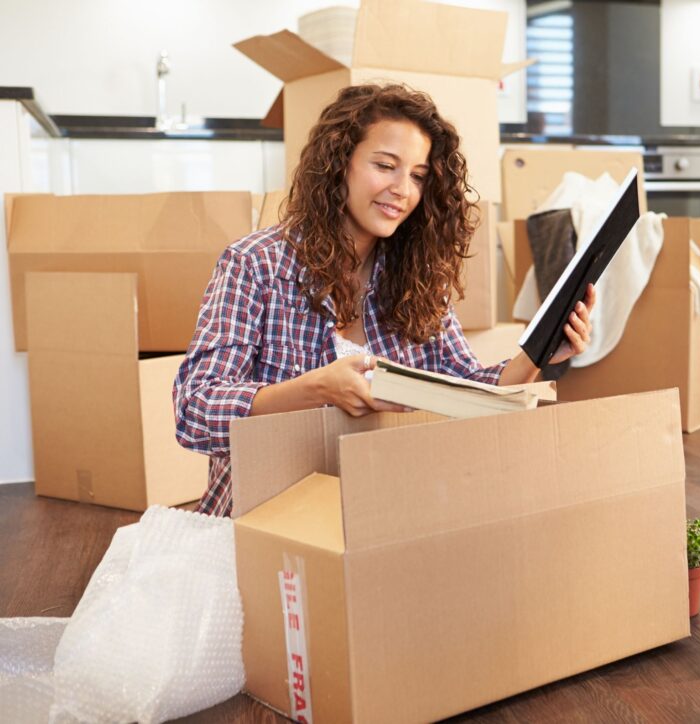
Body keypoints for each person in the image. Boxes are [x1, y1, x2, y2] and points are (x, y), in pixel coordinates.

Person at [173, 84, 596, 517]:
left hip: (380, 511)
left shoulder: (415, 278)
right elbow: (195, 411)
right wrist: (316, 389)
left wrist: (537, 353)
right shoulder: (255, 264)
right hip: (268, 520)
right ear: (340, 165)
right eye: (385, 165)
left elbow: (466, 395)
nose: (402, 190)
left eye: (417, 175)